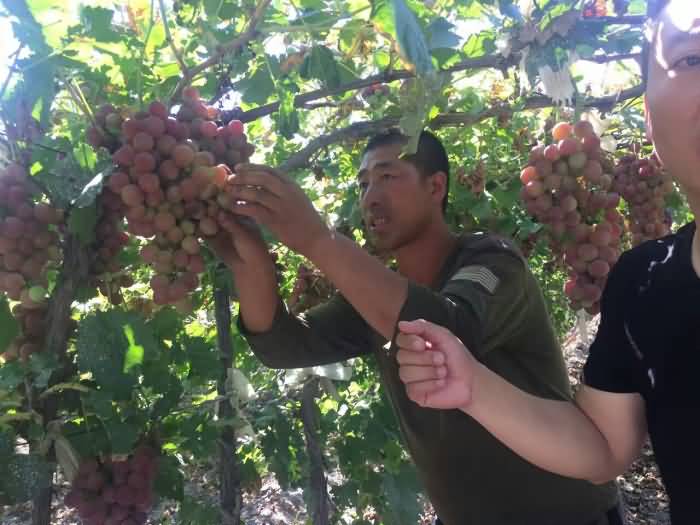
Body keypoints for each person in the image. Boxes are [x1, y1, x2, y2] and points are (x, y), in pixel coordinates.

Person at [211, 129, 621, 524]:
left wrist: (317, 239)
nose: (370, 197)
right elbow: (282, 346)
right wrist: (250, 265)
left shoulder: (493, 259)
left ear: (435, 186)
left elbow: (447, 330)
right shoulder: (376, 297)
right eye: (363, 184)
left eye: (388, 176)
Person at [394, 2, 699, 523]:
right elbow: (603, 446)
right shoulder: (642, 284)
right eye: (691, 59)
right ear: (649, 114)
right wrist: (474, 387)